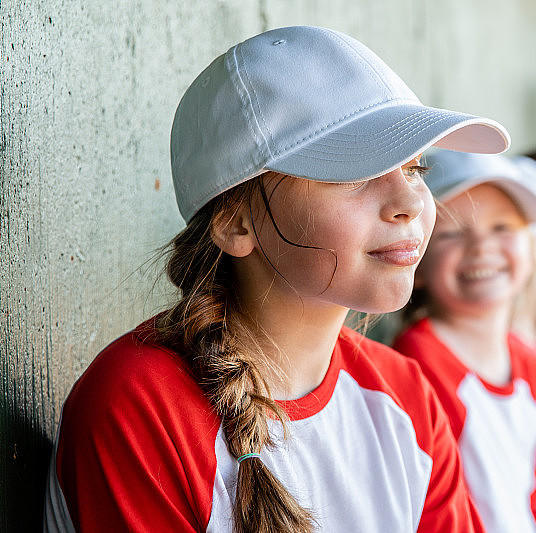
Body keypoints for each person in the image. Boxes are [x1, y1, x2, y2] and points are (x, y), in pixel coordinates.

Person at [43, 26, 512, 533]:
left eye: (415, 168)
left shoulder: (406, 397)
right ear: (236, 222)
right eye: (354, 172)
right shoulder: (141, 402)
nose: (409, 204)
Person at [394, 149, 536, 533]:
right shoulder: (417, 361)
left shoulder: (534, 357)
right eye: (452, 232)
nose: (482, 246)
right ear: (416, 258)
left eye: (503, 228)